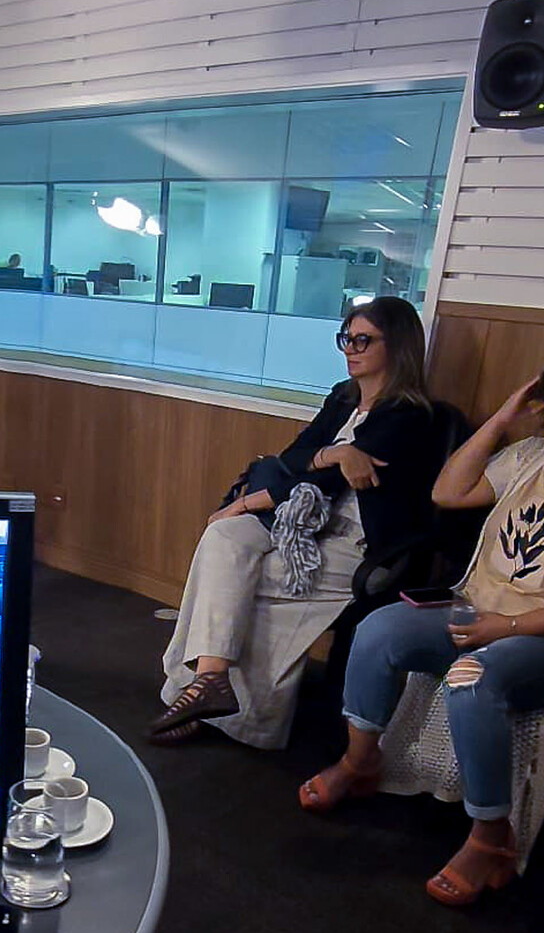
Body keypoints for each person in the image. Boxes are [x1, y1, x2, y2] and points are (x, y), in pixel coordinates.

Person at [300, 349, 544, 906]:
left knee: (473, 677)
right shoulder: (534, 456)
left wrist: (510, 626)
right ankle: (360, 761)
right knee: (380, 628)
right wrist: (502, 420)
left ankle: (489, 835)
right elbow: (447, 493)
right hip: (478, 608)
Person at [150, 296, 460, 748]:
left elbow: (331, 481)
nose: (350, 349)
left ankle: (241, 717)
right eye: (346, 339)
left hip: (355, 540)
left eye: (363, 340)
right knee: (222, 539)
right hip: (300, 519)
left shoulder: (414, 416)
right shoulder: (343, 398)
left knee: (252, 579)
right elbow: (294, 457)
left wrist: (253, 498)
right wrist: (336, 451)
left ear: (398, 346)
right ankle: (211, 681)